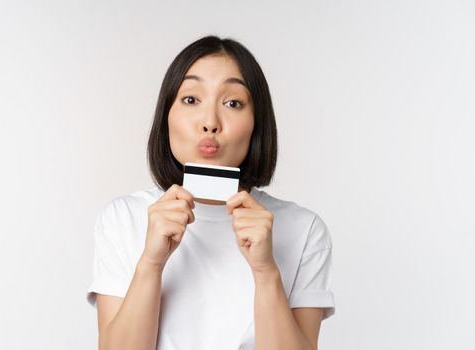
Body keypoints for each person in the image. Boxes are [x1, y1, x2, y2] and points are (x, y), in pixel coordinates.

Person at [86, 35, 335, 350]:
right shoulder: (123, 219)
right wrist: (150, 262)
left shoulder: (304, 229)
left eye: (233, 103)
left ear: (257, 123)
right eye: (191, 99)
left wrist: (265, 271)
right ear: (166, 114)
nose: (210, 122)